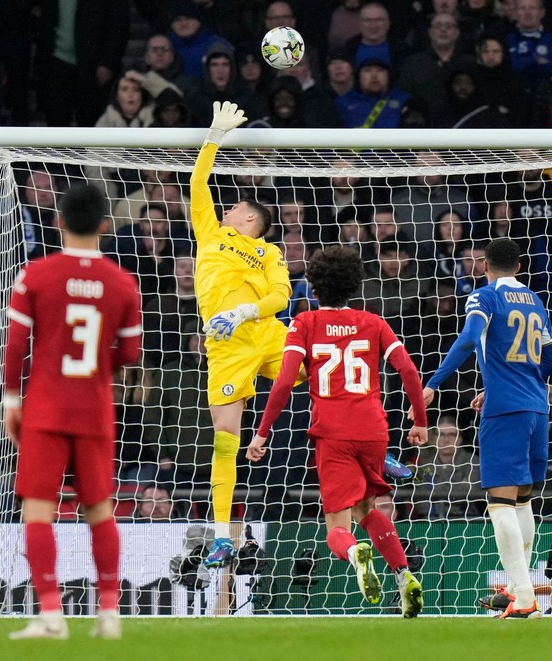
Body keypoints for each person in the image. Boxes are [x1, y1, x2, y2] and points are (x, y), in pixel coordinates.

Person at [246, 246, 429, 617]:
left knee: (338, 527)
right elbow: (409, 372)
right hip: (374, 431)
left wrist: (262, 432)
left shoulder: (304, 323)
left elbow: (283, 383)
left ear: (313, 288)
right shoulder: (374, 321)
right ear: (354, 285)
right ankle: (403, 575)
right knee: (368, 508)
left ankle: (354, 553)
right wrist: (421, 422)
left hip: (333, 433)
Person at [3, 183, 142, 640]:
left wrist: (10, 398)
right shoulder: (124, 283)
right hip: (95, 409)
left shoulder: (35, 275)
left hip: (45, 408)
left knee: (39, 513)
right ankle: (108, 614)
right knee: (101, 512)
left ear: (58, 220)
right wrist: (100, 364)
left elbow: (17, 345)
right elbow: (131, 352)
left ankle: (50, 615)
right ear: (106, 224)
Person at [422, 238, 552, 619]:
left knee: (499, 503)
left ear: (484, 265)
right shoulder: (535, 300)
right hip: (538, 409)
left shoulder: (483, 297)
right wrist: (505, 383)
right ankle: (518, 587)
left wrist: (433, 383)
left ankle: (526, 598)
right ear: (519, 266)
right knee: (522, 501)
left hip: (506, 412)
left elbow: (468, 339)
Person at [188, 101, 299, 568]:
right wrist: (214, 135)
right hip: (227, 345)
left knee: (335, 376)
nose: (227, 208)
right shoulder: (209, 232)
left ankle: (383, 455)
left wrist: (246, 311)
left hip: (266, 332)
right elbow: (198, 183)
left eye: (234, 206)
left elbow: (282, 296)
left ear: (249, 219)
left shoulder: (269, 251)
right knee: (225, 439)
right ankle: (221, 535)